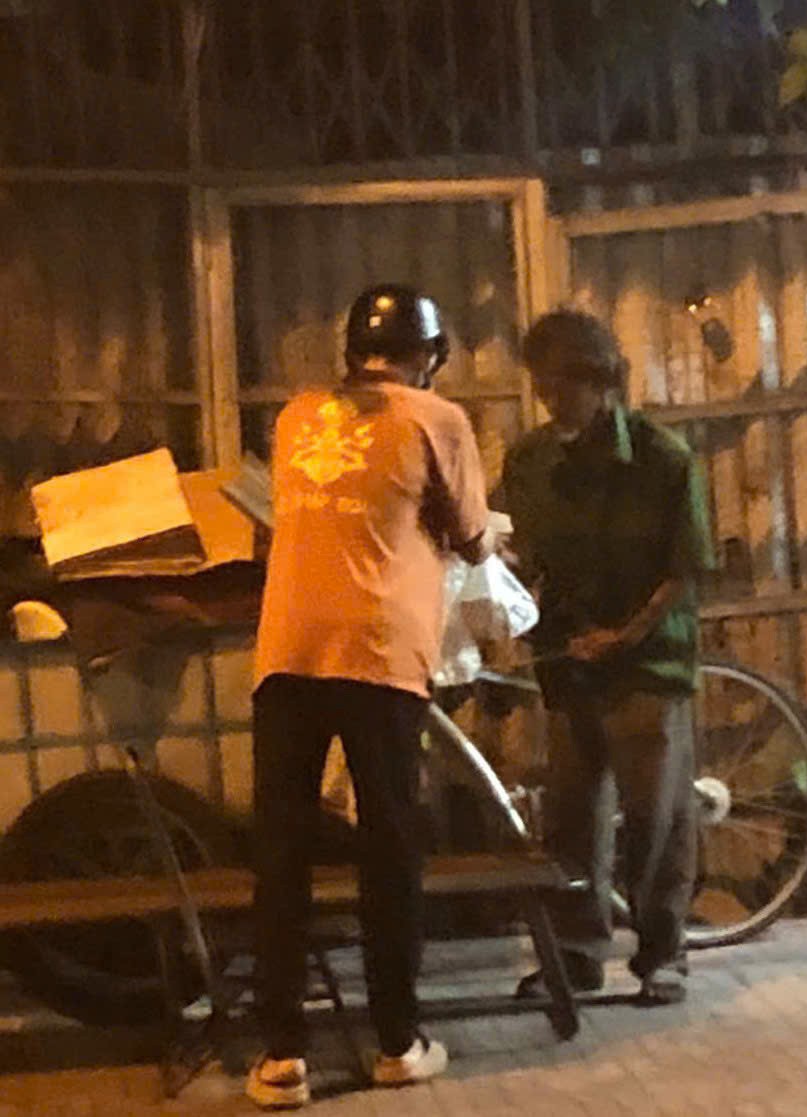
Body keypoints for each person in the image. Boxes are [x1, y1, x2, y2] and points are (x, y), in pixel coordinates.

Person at [246, 284, 494, 1109]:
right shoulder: (436, 417)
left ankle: (281, 1056)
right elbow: (470, 535)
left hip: (286, 650)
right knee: (389, 847)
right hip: (379, 652)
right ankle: (396, 1042)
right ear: (429, 354)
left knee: (281, 852)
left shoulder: (295, 416)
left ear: (350, 350)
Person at [501, 309, 716, 1006]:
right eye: (542, 387)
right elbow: (521, 553)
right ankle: (576, 953)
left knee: (657, 815)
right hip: (567, 659)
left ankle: (662, 955)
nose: (551, 402)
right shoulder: (530, 460)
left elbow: (685, 568)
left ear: (602, 382)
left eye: (563, 387)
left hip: (647, 662)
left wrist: (626, 633)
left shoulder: (662, 458)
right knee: (571, 815)